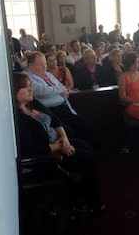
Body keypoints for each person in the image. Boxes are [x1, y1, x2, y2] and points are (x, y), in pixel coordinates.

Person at [13, 73, 104, 214]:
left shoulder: (34, 103)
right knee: (86, 159)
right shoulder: (18, 118)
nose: (30, 89)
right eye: (25, 87)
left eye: (30, 85)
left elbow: (55, 120)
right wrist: (60, 146)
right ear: (15, 91)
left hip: (59, 141)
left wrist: (64, 139)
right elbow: (31, 149)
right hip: (48, 156)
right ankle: (92, 203)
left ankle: (81, 194)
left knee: (87, 147)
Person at [24, 51, 91, 141]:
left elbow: (61, 86)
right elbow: (41, 90)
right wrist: (59, 90)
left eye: (45, 64)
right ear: (31, 65)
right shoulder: (26, 77)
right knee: (69, 131)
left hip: (64, 107)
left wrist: (60, 90)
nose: (44, 67)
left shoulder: (48, 75)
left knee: (82, 124)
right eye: (40, 65)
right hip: (49, 111)